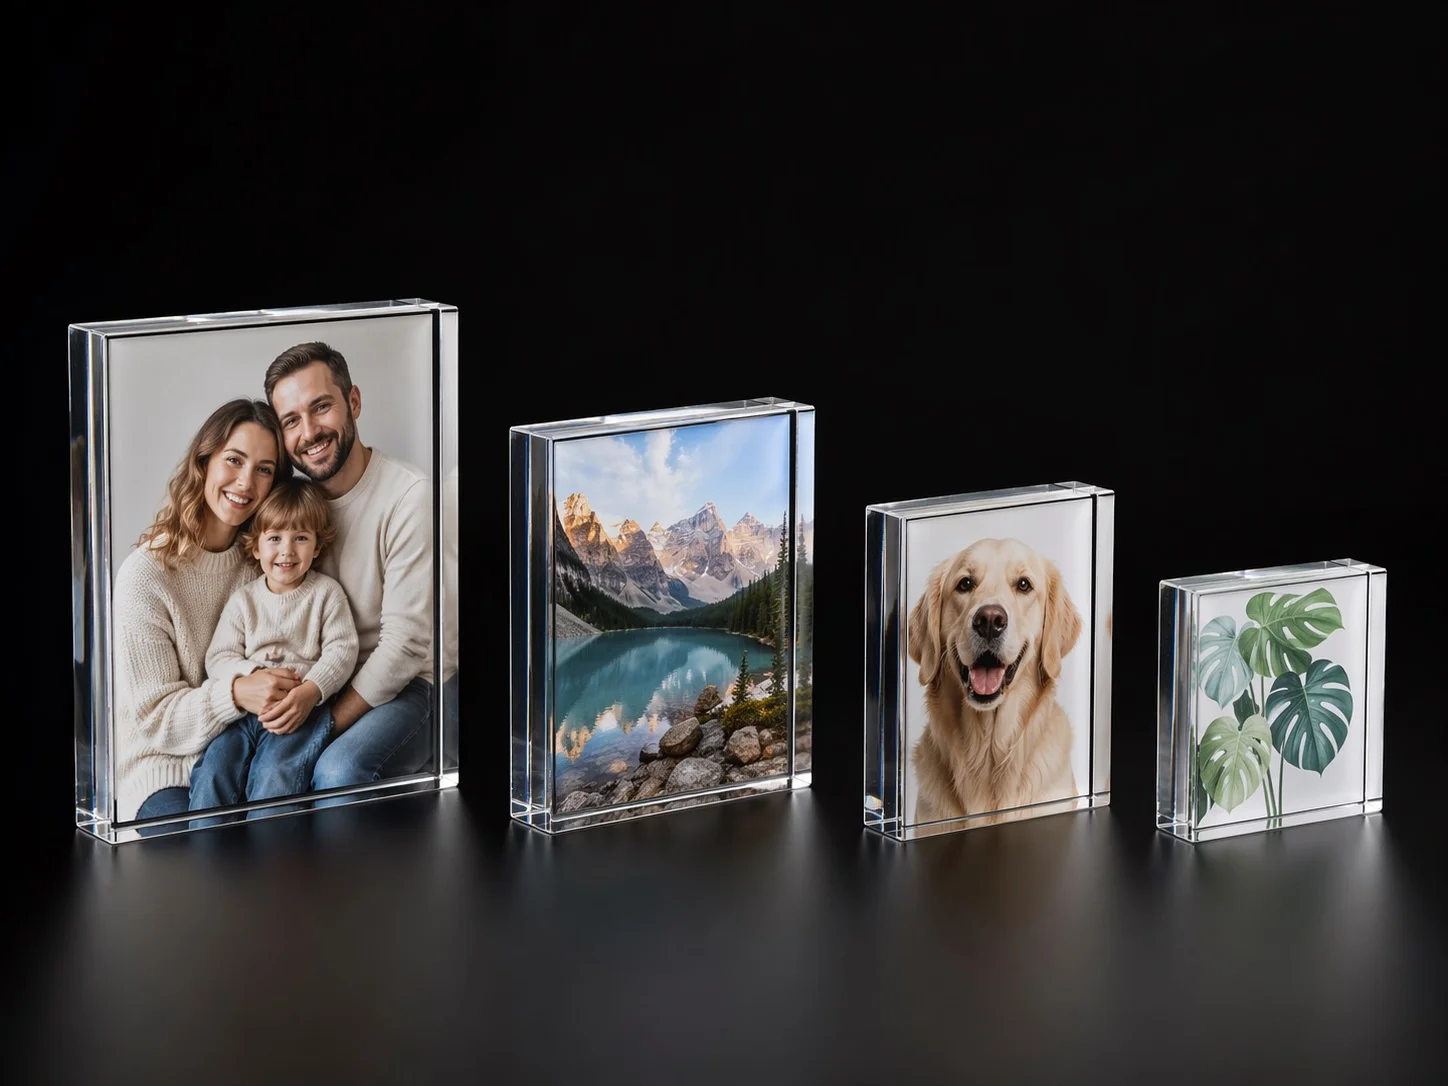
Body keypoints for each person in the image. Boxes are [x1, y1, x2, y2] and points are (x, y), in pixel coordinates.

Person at [112, 399, 302, 827]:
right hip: (164, 773)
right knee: (216, 862)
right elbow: (156, 718)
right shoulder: (145, 575)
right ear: (204, 462)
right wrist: (236, 693)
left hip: (248, 759)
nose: (245, 481)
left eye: (264, 469)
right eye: (233, 460)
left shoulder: (267, 562)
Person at [264, 342, 435, 797]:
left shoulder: (409, 495)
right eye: (291, 421)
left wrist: (320, 725)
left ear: (353, 402)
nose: (310, 432)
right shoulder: (288, 504)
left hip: (409, 686)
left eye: (322, 407)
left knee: (336, 770)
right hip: (317, 682)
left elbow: (406, 646)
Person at [187, 479, 359, 822]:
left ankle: (269, 865)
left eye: (301, 538)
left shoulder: (326, 594)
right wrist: (253, 676)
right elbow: (218, 658)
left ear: (317, 546)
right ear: (255, 547)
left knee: (275, 777)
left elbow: (343, 651)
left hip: (299, 714)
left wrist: (312, 690)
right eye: (275, 538)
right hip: (242, 716)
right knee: (215, 771)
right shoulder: (244, 601)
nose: (287, 551)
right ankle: (206, 861)